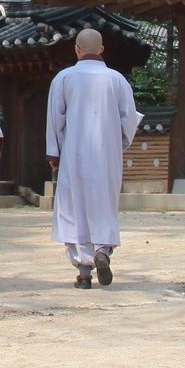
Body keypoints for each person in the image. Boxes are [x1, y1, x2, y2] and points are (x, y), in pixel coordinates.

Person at [46, 29, 142, 289]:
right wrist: (118, 142)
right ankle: (102, 250)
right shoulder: (117, 79)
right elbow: (129, 117)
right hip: (106, 154)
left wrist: (54, 152)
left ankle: (84, 270)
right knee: (103, 205)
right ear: (101, 49)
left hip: (74, 154)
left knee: (74, 208)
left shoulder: (64, 78)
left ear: (76, 49)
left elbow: (56, 118)